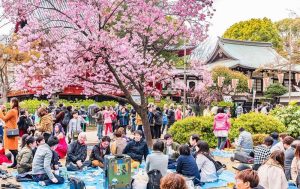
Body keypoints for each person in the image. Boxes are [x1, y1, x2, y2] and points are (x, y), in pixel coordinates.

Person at [0, 97, 19, 168]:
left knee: (12, 148)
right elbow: (7, 119)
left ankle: (17, 163)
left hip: (10, 131)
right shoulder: (15, 110)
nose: (10, 103)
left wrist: (0, 111)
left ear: (13, 103)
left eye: (10, 102)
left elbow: (4, 118)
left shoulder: (12, 111)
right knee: (13, 148)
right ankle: (16, 163)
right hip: (11, 131)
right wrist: (4, 111)